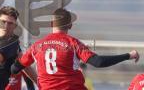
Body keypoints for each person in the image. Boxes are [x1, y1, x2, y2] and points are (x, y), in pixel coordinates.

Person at [11, 8, 140, 90]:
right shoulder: (73, 43)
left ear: (51, 24)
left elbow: (16, 68)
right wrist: (129, 55)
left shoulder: (36, 46)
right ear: (70, 25)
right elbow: (99, 62)